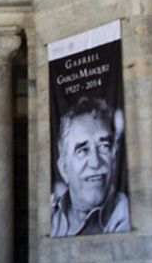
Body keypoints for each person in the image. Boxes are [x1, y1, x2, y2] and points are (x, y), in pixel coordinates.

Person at [50, 96, 129, 237]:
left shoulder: (126, 215)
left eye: (104, 147)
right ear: (64, 169)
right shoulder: (50, 214)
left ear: (114, 160)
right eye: (82, 150)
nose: (95, 162)